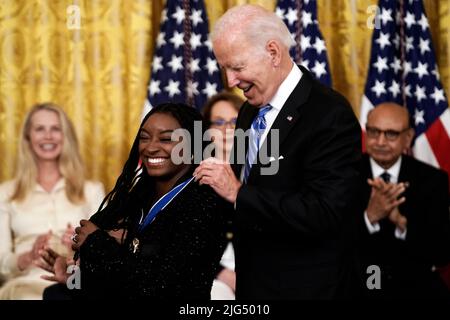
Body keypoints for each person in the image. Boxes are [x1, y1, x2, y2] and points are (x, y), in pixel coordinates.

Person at [194, 4, 362, 299]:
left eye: (237, 67)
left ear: (273, 52)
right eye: (224, 69)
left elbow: (325, 211)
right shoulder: (248, 111)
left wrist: (238, 193)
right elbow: (240, 197)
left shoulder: (329, 113)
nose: (230, 82)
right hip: (252, 286)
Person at [38, 103, 230, 299]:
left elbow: (161, 287)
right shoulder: (136, 196)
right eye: (144, 137)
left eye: (165, 139)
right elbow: (120, 278)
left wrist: (98, 242)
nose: (151, 147)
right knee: (55, 294)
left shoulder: (206, 203)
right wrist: (74, 278)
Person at [0, 103, 104, 300]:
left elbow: (109, 253)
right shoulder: (5, 193)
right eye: (40, 129)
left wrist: (82, 244)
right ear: (27, 138)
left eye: (55, 129)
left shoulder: (92, 191)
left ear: (66, 137)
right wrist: (26, 257)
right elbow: (1, 263)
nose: (48, 136)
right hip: (26, 286)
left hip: (76, 283)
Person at [357, 102, 450, 299]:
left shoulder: (433, 180)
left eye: (391, 134)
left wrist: (401, 222)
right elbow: (328, 244)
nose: (380, 141)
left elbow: (441, 253)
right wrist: (370, 217)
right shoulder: (343, 173)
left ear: (408, 138)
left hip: (415, 288)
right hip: (356, 285)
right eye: (374, 132)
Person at [202, 91, 244, 299]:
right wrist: (220, 273)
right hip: (213, 276)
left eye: (234, 121)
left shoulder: (265, 173)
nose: (227, 129)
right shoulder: (193, 179)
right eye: (219, 122)